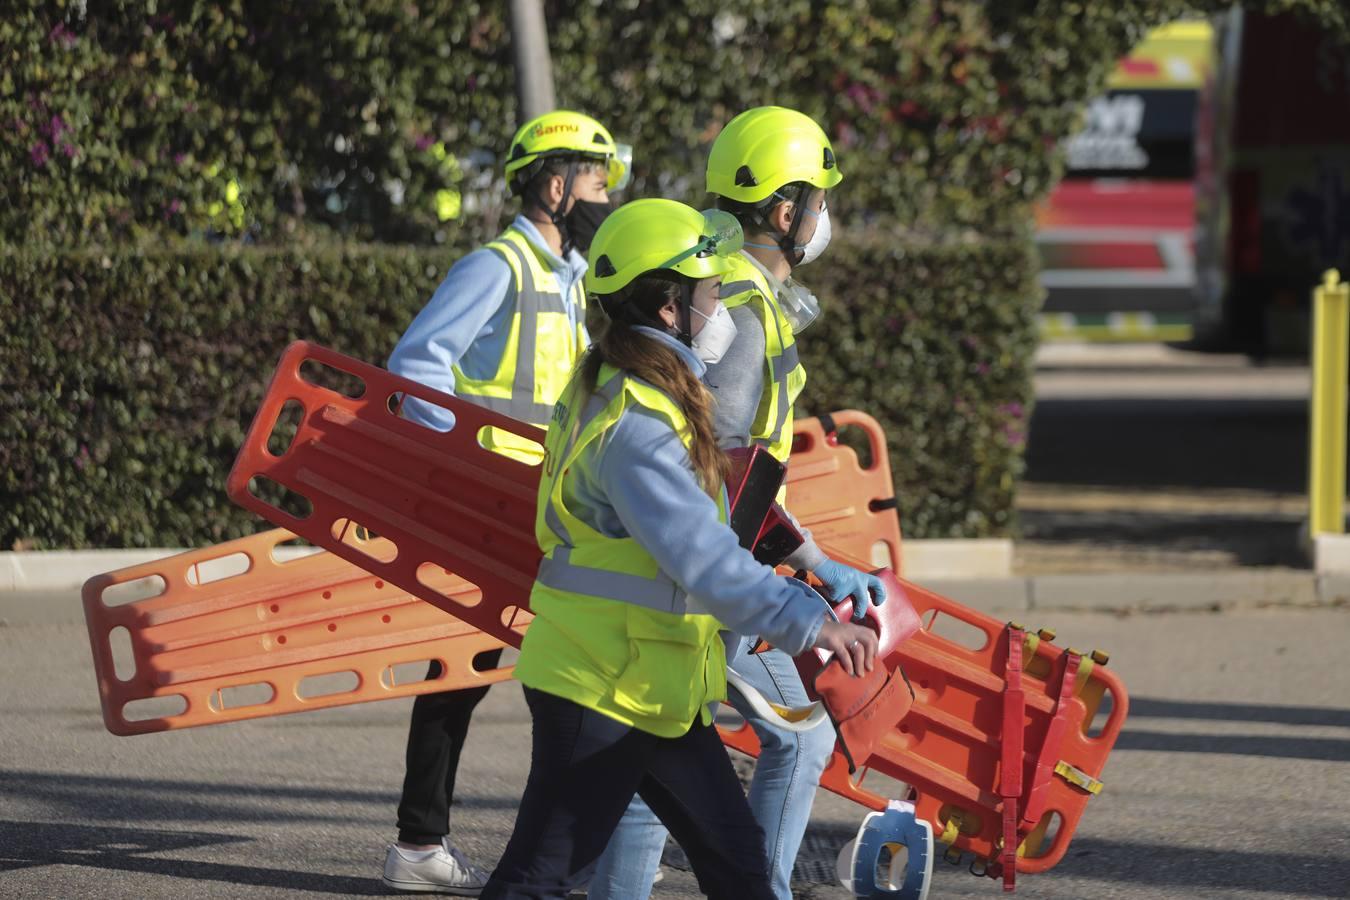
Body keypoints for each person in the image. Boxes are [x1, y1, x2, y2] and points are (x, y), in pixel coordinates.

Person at [480, 198, 880, 899]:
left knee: (740, 872)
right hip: (602, 688)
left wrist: (807, 566)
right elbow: (704, 559)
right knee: (539, 879)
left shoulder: (626, 388)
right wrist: (812, 620)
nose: (721, 303)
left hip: (651, 685)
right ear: (670, 307)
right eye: (710, 291)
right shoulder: (638, 425)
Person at [590, 106, 883, 900]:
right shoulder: (748, 317)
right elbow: (719, 474)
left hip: (687, 566)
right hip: (706, 571)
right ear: (786, 212)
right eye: (820, 199)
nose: (826, 216)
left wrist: (812, 558)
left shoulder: (739, 293)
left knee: (664, 748)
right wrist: (781, 581)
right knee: (800, 735)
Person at [380, 109, 630, 895]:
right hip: (494, 506)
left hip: (547, 508)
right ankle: (424, 845)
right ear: (555, 185)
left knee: (514, 673)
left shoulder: (574, 277)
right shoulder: (498, 265)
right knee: (465, 671)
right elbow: (417, 366)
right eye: (594, 180)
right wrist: (463, 460)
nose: (603, 197)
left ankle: (459, 847)